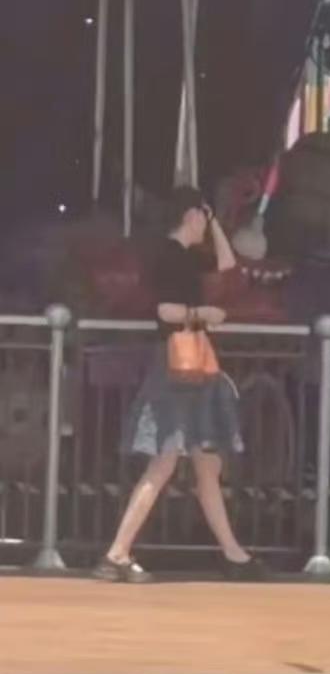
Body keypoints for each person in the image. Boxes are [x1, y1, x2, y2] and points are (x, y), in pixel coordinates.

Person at [93, 188, 260, 583]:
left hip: (189, 367)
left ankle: (234, 554)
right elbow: (164, 310)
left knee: (205, 463)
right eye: (203, 216)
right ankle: (116, 553)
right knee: (167, 461)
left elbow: (228, 268)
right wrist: (204, 314)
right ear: (190, 215)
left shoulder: (185, 255)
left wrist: (214, 224)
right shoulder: (169, 256)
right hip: (177, 366)